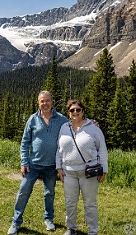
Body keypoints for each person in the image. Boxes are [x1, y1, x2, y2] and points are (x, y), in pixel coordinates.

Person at [8, 90, 68, 235]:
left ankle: (49, 218)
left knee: (50, 193)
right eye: (42, 101)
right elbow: (25, 142)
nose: (45, 103)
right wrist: (24, 162)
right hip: (33, 164)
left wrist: (91, 123)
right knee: (23, 191)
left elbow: (75, 124)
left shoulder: (61, 119)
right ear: (38, 103)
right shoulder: (32, 119)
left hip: (52, 165)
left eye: (47, 100)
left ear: (52, 102)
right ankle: (16, 222)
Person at [56, 99, 108, 235]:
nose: (75, 112)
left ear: (83, 111)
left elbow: (102, 149)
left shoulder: (93, 128)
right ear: (68, 112)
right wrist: (59, 168)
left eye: (78, 109)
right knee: (70, 203)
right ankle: (71, 228)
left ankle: (93, 231)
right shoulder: (64, 128)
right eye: (72, 110)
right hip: (69, 172)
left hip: (89, 172)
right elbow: (59, 149)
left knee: (90, 204)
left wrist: (104, 169)